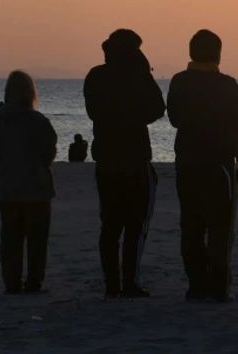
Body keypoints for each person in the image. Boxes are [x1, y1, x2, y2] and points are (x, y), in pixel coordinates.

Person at [167, 29, 238, 302]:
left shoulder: (180, 81)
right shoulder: (226, 84)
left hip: (188, 163)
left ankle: (196, 283)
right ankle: (217, 285)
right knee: (220, 227)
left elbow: (175, 118)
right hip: (219, 164)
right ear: (218, 53)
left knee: (190, 225)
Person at [84, 29, 165, 299]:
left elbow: (92, 111)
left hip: (106, 157)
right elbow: (157, 108)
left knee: (110, 225)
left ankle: (112, 284)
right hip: (134, 157)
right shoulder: (137, 75)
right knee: (133, 224)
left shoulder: (96, 76)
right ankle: (128, 281)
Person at [0, 71, 57, 294]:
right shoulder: (37, 120)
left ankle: (11, 281)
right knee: (37, 239)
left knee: (10, 238)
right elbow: (49, 151)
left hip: (8, 187)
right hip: (36, 188)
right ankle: (34, 281)